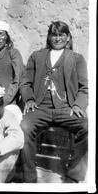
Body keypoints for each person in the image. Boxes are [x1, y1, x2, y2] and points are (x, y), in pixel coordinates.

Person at [19, 21, 88, 183]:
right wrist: (29, 98)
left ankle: (74, 175)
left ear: (68, 37)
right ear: (49, 37)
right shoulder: (37, 56)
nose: (57, 38)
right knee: (25, 128)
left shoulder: (77, 59)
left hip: (66, 107)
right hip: (40, 106)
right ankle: (29, 178)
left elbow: (85, 87)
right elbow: (25, 81)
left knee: (87, 128)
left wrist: (78, 104)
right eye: (54, 35)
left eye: (61, 35)